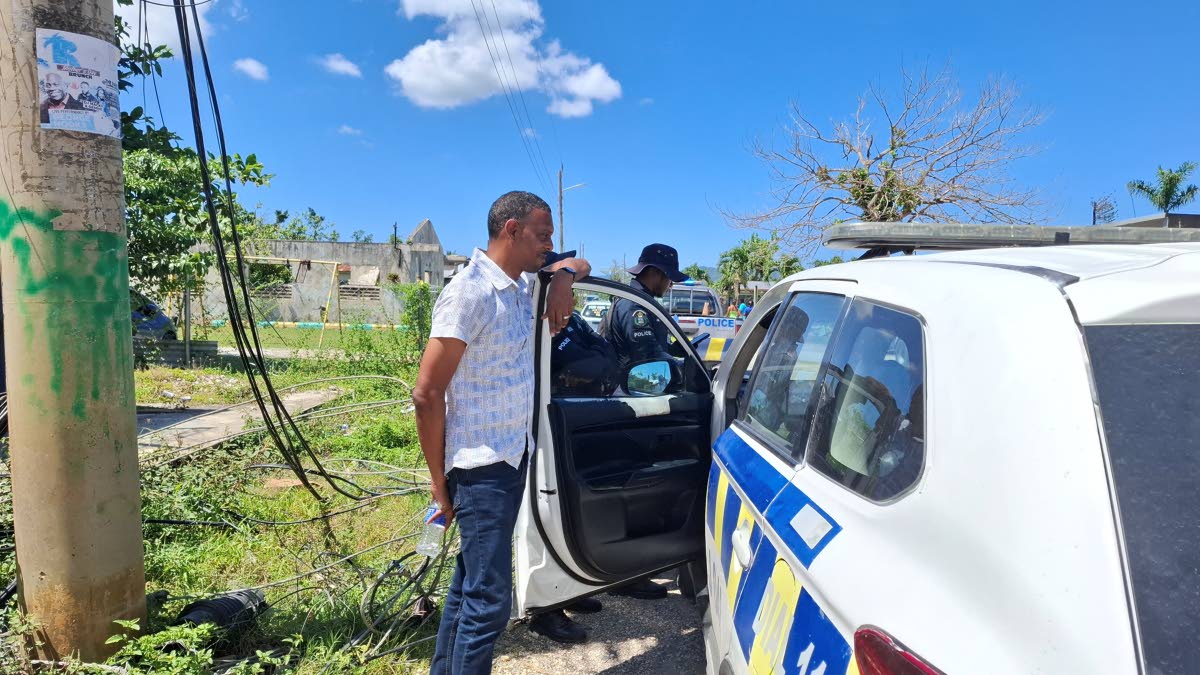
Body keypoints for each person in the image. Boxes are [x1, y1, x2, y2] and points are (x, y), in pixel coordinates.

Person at [414, 191, 589, 674]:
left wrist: (564, 278)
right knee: (490, 602)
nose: (548, 245)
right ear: (511, 230)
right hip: (479, 468)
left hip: (510, 459)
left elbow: (582, 259)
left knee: (469, 585)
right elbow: (426, 394)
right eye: (542, 235)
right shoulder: (471, 292)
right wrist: (437, 481)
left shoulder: (522, 284)